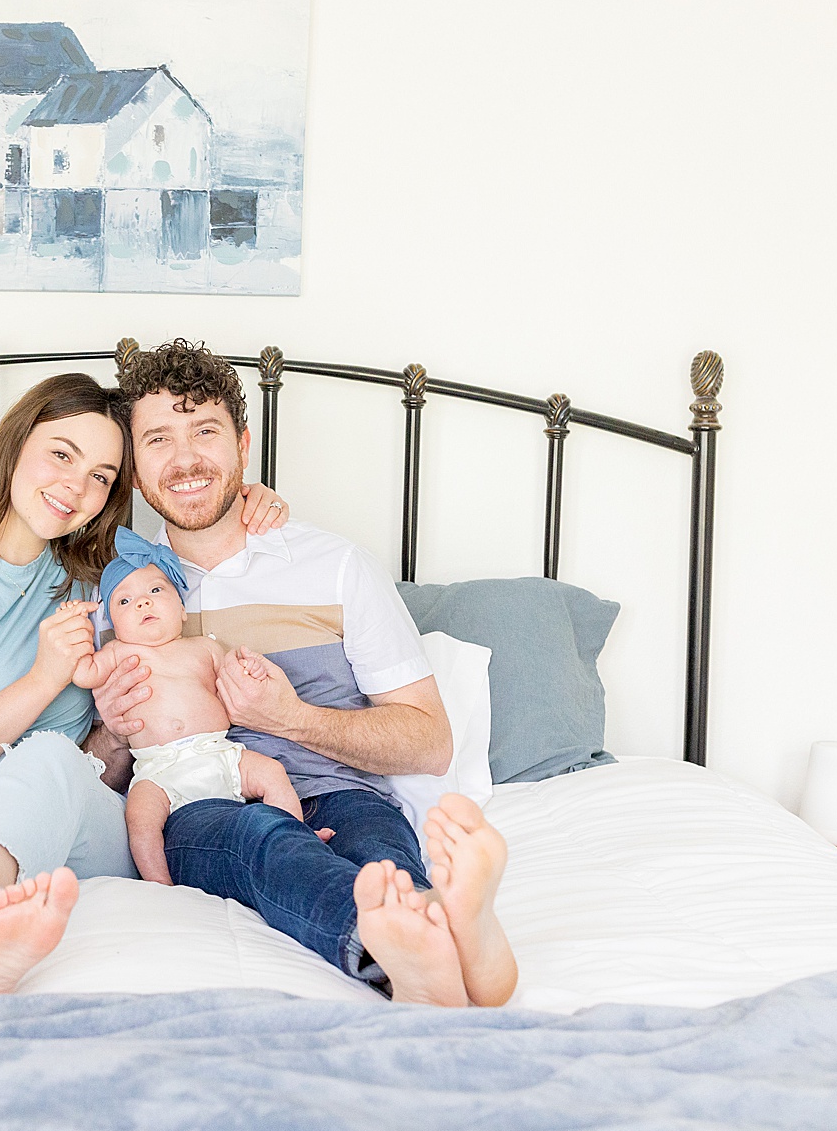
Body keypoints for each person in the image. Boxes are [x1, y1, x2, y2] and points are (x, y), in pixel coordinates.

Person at [89, 339, 520, 1008]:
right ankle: (411, 950)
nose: (185, 459)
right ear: (137, 472)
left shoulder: (334, 564)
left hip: (344, 795)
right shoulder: (125, 601)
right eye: (158, 439)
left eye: (205, 430)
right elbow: (109, 776)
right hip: (212, 810)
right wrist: (115, 734)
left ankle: (451, 944)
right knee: (263, 838)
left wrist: (289, 718)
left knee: (380, 855)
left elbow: (430, 743)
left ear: (242, 444)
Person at [0, 372, 291, 995]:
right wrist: (43, 680)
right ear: (15, 443)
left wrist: (248, 498)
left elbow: (195, 531)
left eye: (102, 475)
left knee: (47, 758)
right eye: (61, 454)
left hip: (73, 816)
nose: (76, 488)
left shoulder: (107, 585)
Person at [69, 528, 318, 885]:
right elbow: (82, 673)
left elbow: (238, 682)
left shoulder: (204, 648)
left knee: (273, 774)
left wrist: (251, 670)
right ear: (113, 623)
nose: (142, 603)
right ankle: (162, 887)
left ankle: (298, 839)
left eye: (156, 591)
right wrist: (78, 627)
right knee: (139, 820)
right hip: (159, 770)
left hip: (220, 754)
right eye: (124, 601)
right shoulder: (116, 653)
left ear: (182, 608)